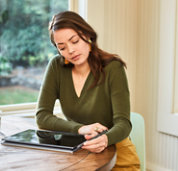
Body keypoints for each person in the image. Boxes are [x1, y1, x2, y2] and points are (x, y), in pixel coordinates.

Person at [35, 11, 140, 170]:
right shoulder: (56, 67)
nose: (70, 50)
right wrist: (80, 128)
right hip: (78, 152)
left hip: (117, 154)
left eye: (75, 41)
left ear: (87, 35)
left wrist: (105, 139)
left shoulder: (113, 68)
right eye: (62, 47)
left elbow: (123, 123)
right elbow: (42, 116)